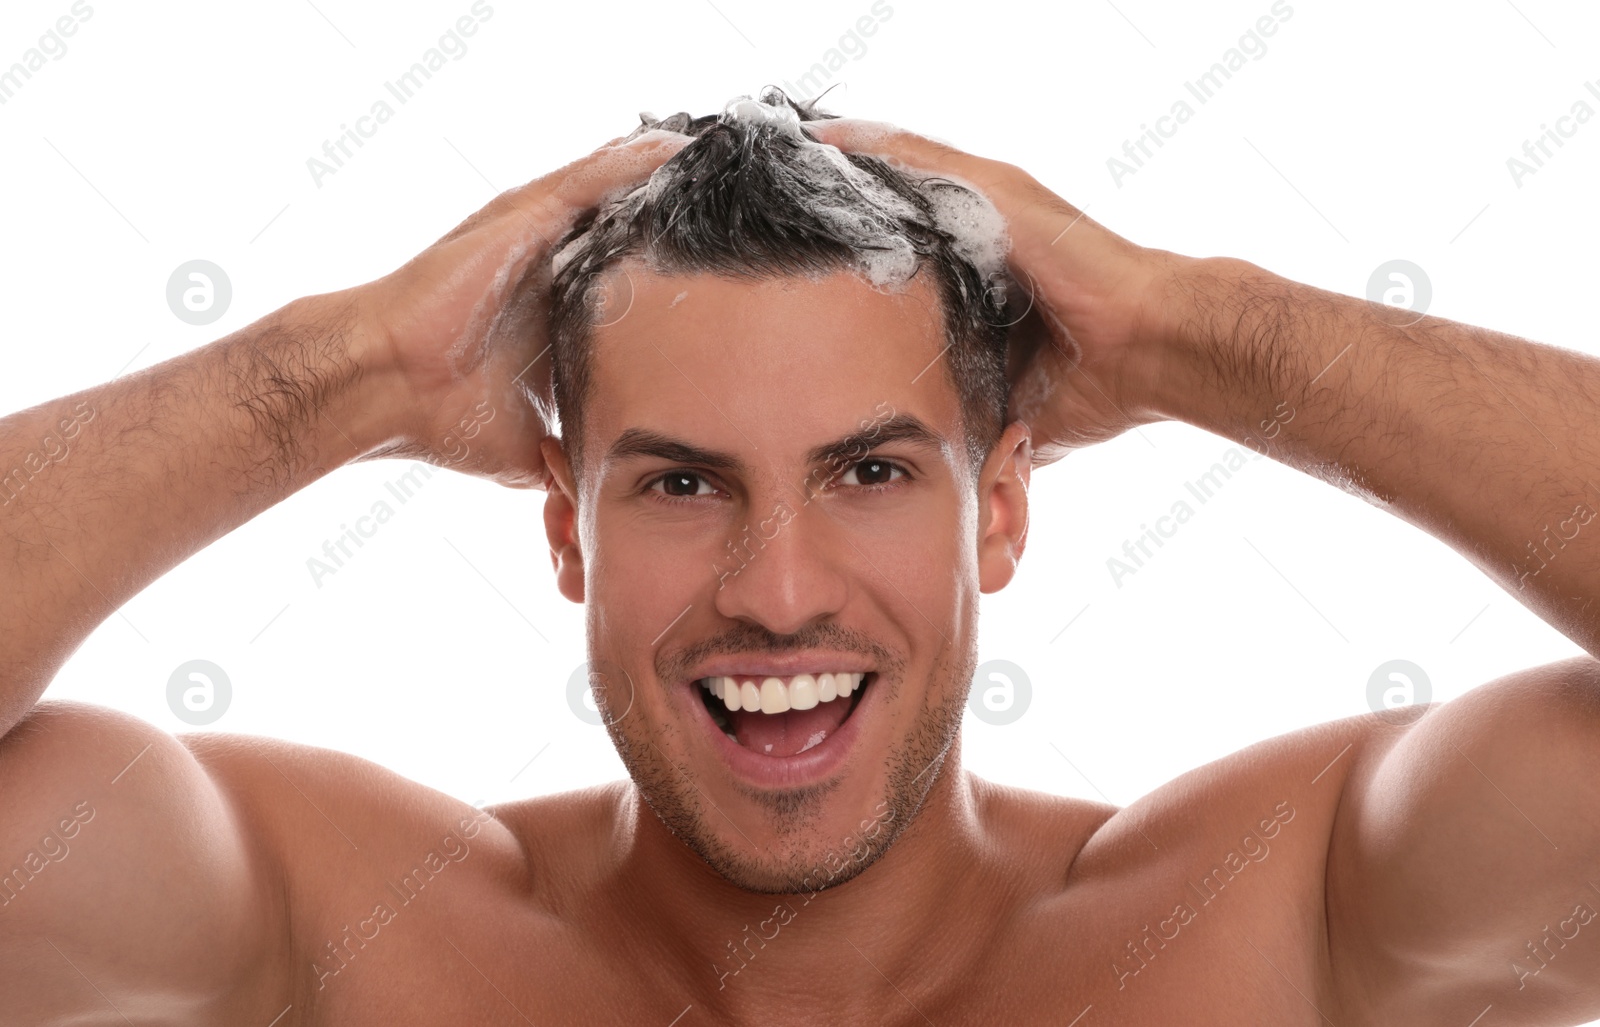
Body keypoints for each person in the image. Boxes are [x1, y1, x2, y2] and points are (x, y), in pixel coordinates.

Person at [3, 89, 1598, 1025]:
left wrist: (1198, 330)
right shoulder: (331, 935)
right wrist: (339, 371)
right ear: (568, 527)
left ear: (1001, 510)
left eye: (872, 470)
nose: (776, 593)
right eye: (685, 482)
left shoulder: (1281, 924)